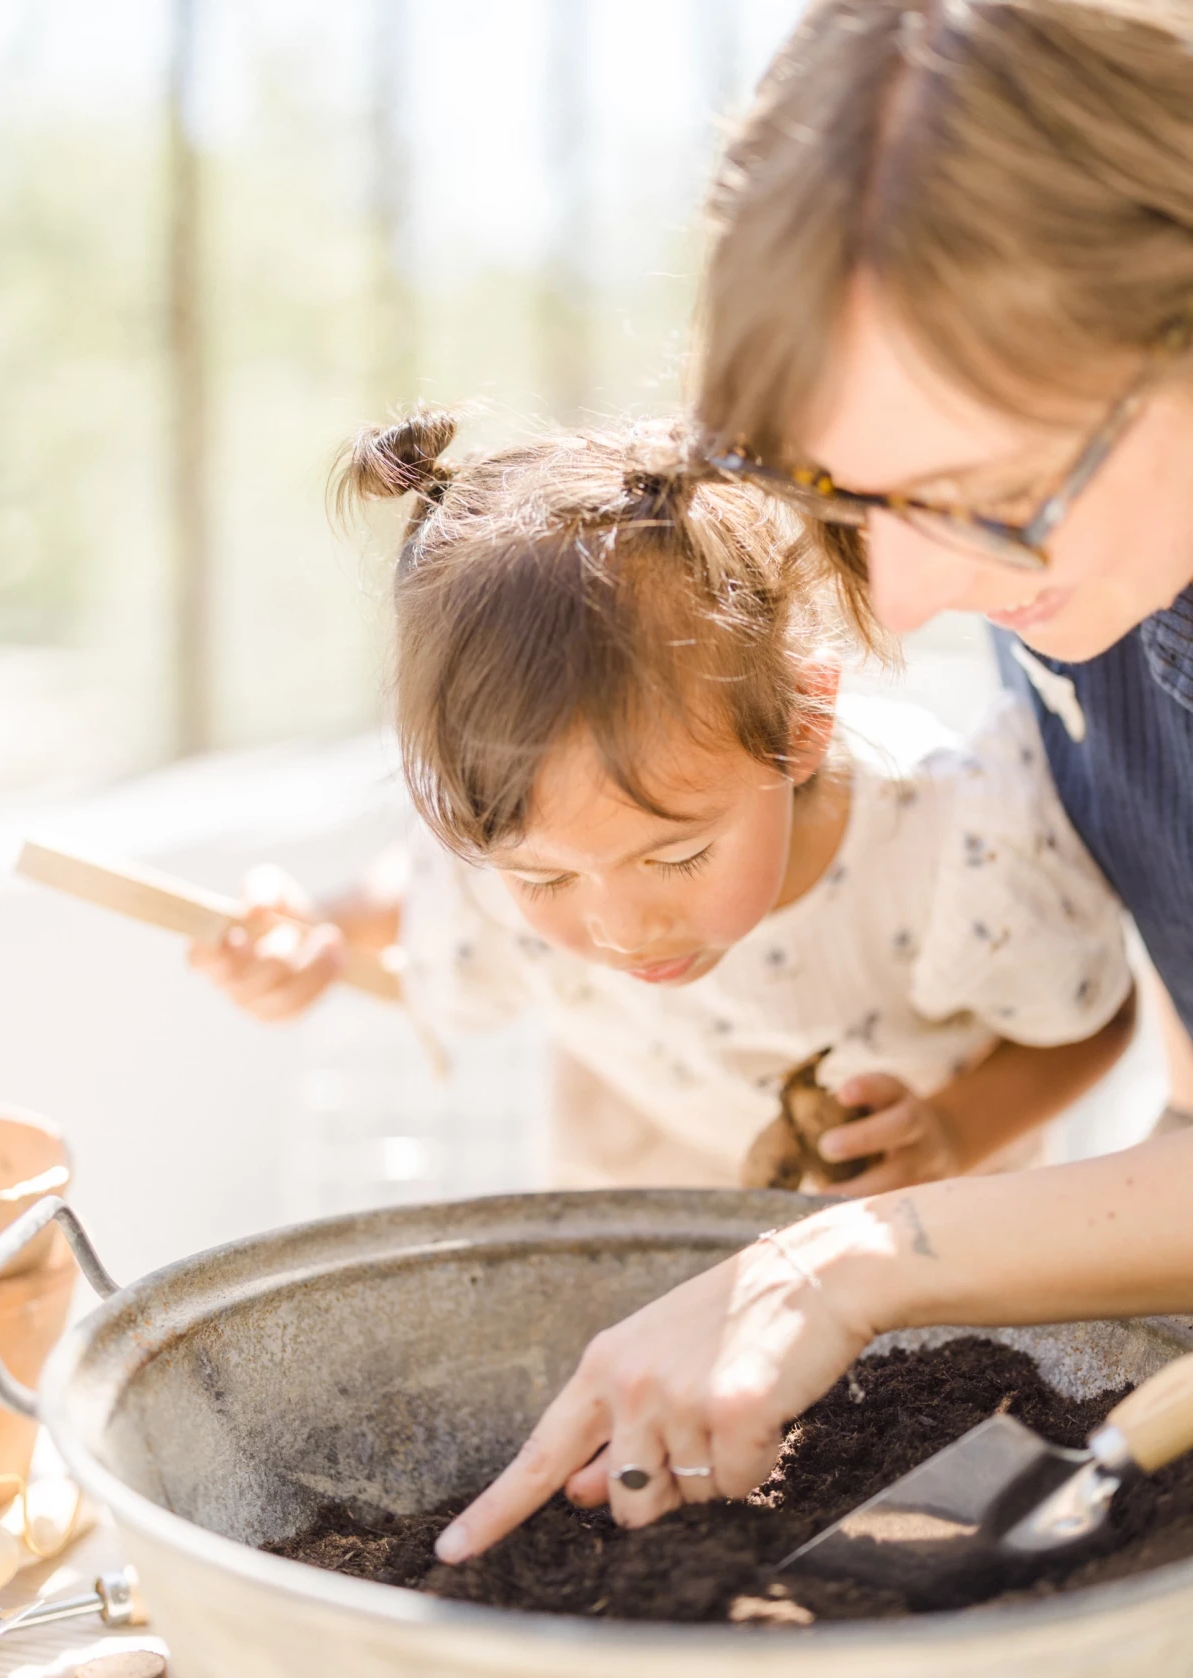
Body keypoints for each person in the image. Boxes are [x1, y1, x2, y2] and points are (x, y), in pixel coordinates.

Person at [435, 0, 1193, 1567]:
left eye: (988, 502)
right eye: (842, 505)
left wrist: (853, 1260)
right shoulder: (1095, 584)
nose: (903, 599)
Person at [193, 411, 1132, 1196]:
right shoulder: (514, 863)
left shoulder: (948, 857)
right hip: (637, 1180)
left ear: (802, 724)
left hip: (902, 1228)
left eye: (676, 857)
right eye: (543, 875)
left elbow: (1097, 1018)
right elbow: (432, 886)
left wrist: (954, 1133)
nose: (620, 928)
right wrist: (321, 930)